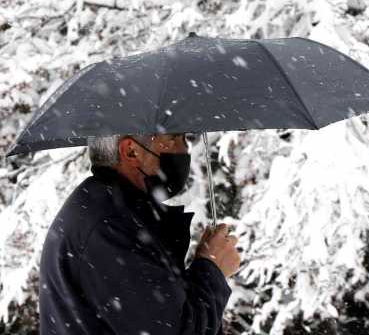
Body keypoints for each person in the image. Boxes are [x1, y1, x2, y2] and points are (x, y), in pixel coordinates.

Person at [39, 133, 241, 335]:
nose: (185, 150)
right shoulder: (108, 227)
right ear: (131, 151)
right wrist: (211, 271)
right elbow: (173, 329)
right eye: (175, 139)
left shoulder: (117, 212)